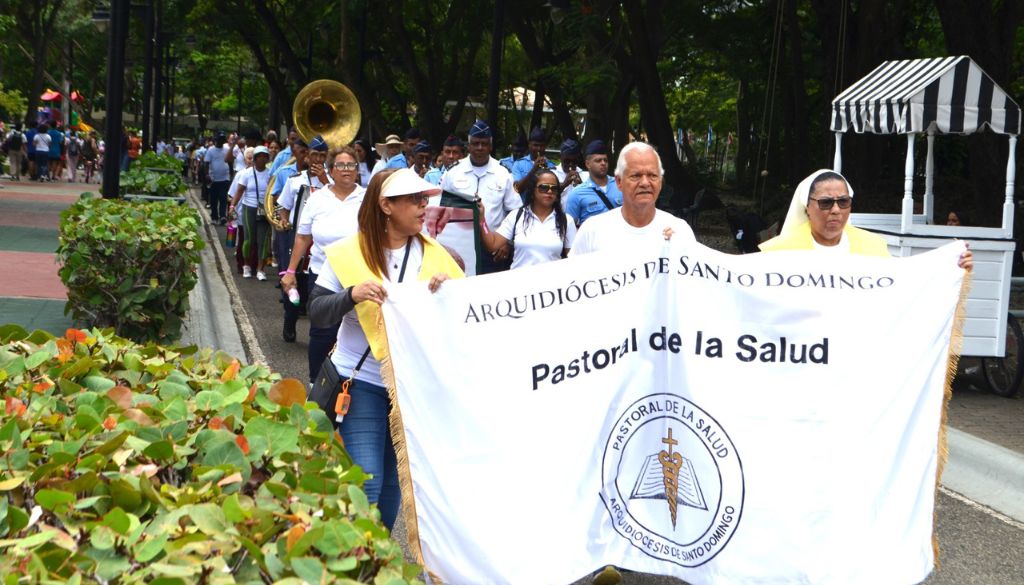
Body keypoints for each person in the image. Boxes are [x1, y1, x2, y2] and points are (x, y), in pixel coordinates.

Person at [307, 167, 463, 531]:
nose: (424, 207)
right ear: (386, 206)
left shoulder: (440, 257)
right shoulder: (348, 253)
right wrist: (351, 294)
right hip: (358, 383)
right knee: (368, 484)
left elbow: (461, 324)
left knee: (394, 492)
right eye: (414, 200)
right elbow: (316, 311)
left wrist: (448, 295)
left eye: (425, 200)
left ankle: (370, 563)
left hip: (410, 392)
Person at [758, 169, 973, 270]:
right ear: (807, 207)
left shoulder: (873, 247)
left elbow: (904, 286)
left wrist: (952, 267)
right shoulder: (778, 251)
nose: (835, 210)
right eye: (825, 203)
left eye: (843, 202)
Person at [282, 147, 365, 378]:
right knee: (322, 332)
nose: (346, 170)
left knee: (353, 333)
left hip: (358, 276)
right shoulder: (317, 198)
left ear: (357, 170)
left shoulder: (367, 199)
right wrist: (290, 272)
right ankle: (316, 383)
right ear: (330, 170)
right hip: (321, 276)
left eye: (351, 165)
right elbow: (302, 237)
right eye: (340, 165)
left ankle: (348, 384)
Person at [571, 141, 695, 256]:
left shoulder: (680, 231)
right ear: (619, 181)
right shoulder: (591, 231)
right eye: (636, 175)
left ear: (660, 182)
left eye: (652, 175)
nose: (645, 183)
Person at [439, 119, 522, 273]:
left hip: (493, 247)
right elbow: (440, 206)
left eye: (484, 144)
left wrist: (507, 242)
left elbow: (515, 211)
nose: (480, 148)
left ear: (490, 146)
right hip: (459, 245)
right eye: (476, 143)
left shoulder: (503, 173)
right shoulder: (453, 172)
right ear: (468, 146)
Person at [274, 135, 328, 343]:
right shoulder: (294, 181)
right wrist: (284, 220)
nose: (318, 159)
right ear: (307, 156)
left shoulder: (332, 184)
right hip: (298, 239)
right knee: (292, 284)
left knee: (315, 287)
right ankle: (290, 319)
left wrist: (325, 181)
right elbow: (284, 208)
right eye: (315, 155)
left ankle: (316, 332)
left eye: (322, 156)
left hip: (320, 242)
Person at [480, 168, 577, 269]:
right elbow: (492, 244)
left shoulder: (566, 220)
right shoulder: (516, 216)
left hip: (552, 283)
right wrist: (482, 220)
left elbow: (573, 259)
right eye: (543, 187)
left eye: (554, 188)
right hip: (520, 283)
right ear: (532, 190)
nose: (549, 191)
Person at [229, 145, 273, 280]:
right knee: (249, 239)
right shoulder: (247, 173)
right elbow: (239, 191)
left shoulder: (270, 174)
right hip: (249, 208)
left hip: (264, 209)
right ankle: (246, 266)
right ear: (254, 158)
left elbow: (273, 192)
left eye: (264, 156)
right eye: (259, 156)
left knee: (263, 241)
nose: (261, 159)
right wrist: (232, 206)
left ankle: (260, 269)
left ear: (267, 159)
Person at [565, 140, 623, 226]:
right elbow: (569, 226)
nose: (603, 163)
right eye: (598, 161)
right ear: (588, 164)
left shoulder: (620, 185)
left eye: (605, 160)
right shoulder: (577, 193)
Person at [205, 133, 232, 224]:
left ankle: (223, 216)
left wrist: (231, 175)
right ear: (216, 140)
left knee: (223, 198)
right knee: (213, 199)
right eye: (219, 139)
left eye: (222, 140)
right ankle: (214, 217)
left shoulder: (227, 149)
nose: (221, 141)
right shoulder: (211, 150)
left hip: (225, 178)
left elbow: (230, 162)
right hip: (214, 179)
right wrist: (207, 174)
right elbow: (206, 163)